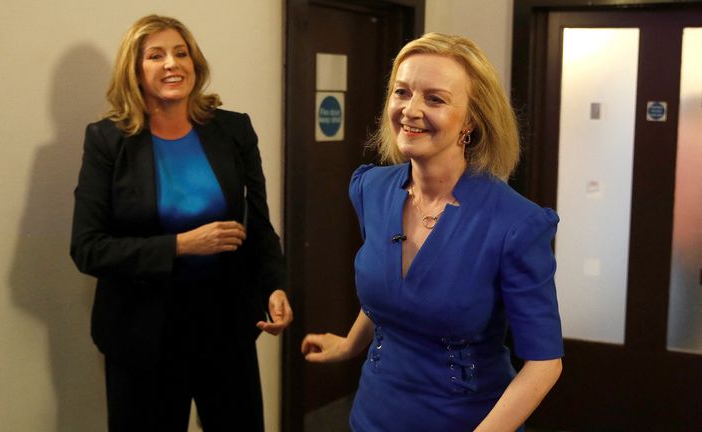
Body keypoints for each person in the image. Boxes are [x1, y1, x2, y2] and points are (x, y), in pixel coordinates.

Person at [301, 33, 563, 431]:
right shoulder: (370, 189)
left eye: (435, 99)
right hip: (373, 414)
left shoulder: (515, 224)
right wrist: (350, 343)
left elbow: (544, 364)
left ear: (471, 120)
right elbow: (389, 289)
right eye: (402, 92)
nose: (410, 110)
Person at [70, 14, 292, 432]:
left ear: (195, 62)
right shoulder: (107, 141)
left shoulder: (233, 130)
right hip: (143, 337)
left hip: (226, 329)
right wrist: (180, 245)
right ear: (134, 70)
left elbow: (258, 225)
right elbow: (87, 247)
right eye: (156, 55)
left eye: (180, 52)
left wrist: (275, 285)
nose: (172, 63)